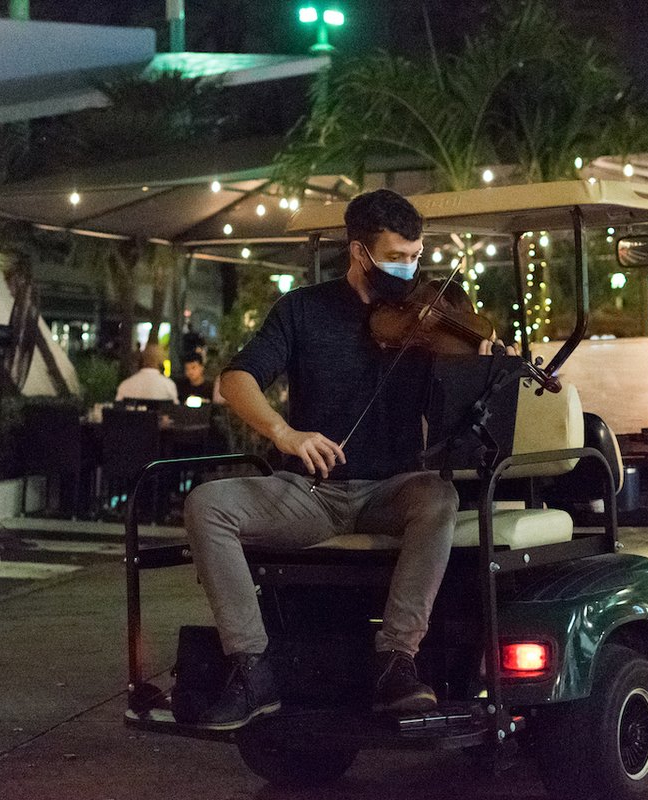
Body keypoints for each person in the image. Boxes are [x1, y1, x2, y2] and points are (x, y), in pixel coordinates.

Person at [183, 189, 510, 731]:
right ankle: (251, 667)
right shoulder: (302, 309)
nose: (409, 268)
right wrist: (285, 433)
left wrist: (485, 370)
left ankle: (396, 661)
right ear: (359, 253)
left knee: (439, 496)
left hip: (394, 489)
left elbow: (470, 419)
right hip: (313, 493)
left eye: (415, 255)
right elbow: (235, 380)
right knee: (208, 505)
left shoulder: (432, 324)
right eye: (396, 256)